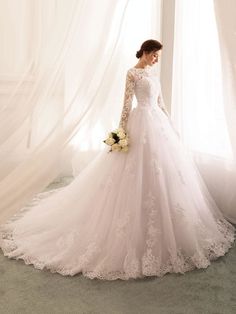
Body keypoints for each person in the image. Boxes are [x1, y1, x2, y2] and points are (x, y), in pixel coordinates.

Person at [0, 39, 235, 281]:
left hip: (158, 126)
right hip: (139, 123)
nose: (156, 60)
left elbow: (161, 103)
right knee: (131, 174)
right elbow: (125, 105)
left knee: (164, 177)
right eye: (155, 55)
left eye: (158, 57)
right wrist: (119, 135)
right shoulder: (132, 73)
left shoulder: (154, 76)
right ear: (146, 52)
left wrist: (172, 126)